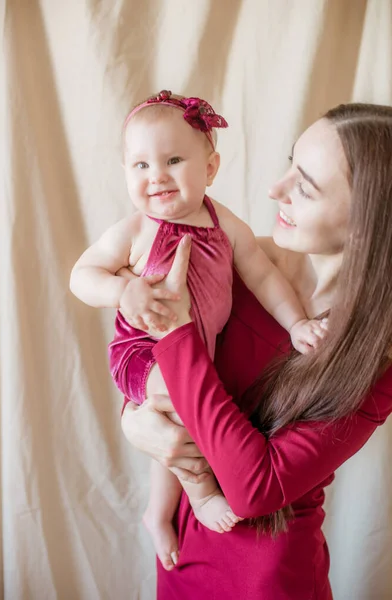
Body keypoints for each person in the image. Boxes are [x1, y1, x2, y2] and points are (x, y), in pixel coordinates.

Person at [113, 103, 392, 600]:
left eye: (304, 187)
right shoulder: (227, 257)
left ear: (368, 224)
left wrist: (177, 335)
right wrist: (134, 418)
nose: (274, 190)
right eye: (290, 165)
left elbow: (255, 489)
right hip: (184, 541)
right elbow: (144, 354)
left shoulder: (376, 359)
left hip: (266, 573)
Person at [70, 91, 324, 570]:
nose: (157, 176)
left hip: (196, 353)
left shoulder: (222, 222)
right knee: (185, 407)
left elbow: (264, 276)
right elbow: (81, 276)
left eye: (173, 160)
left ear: (210, 169)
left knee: (180, 421)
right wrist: (123, 293)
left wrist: (298, 324)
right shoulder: (135, 231)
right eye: (140, 165)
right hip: (141, 349)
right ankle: (203, 496)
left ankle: (157, 512)